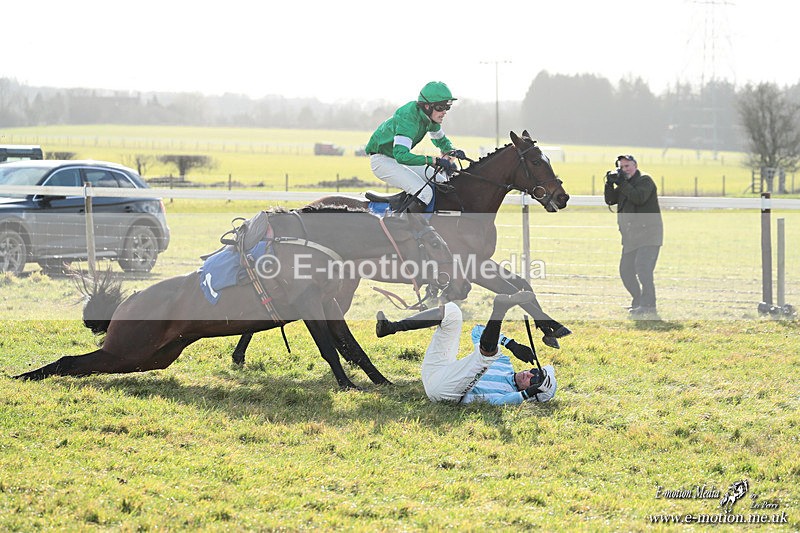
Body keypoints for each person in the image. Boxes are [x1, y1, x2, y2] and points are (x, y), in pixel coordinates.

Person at [375, 292, 557, 405]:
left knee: (487, 357)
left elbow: (503, 402)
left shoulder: (508, 396)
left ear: (534, 393)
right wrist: (512, 344)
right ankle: (391, 327)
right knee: (453, 312)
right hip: (437, 372)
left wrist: (526, 395)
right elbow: (477, 331)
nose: (530, 374)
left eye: (534, 381)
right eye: (536, 371)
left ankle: (499, 311)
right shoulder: (505, 363)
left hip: (444, 393)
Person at [364, 81, 467, 212]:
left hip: (396, 159)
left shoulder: (430, 119)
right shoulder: (409, 118)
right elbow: (401, 156)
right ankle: (402, 227)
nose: (444, 112)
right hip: (382, 160)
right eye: (441, 107)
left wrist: (453, 151)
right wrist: (434, 161)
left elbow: (442, 142)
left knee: (442, 184)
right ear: (427, 107)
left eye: (447, 107)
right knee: (425, 193)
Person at [604, 154, 663, 318]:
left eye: (627, 166)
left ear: (635, 166)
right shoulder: (625, 184)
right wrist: (609, 184)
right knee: (626, 271)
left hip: (649, 235)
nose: (624, 170)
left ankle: (649, 306)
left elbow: (638, 198)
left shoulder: (645, 180)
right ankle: (638, 301)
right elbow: (610, 200)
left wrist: (622, 183)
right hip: (631, 237)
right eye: (621, 167)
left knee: (643, 269)